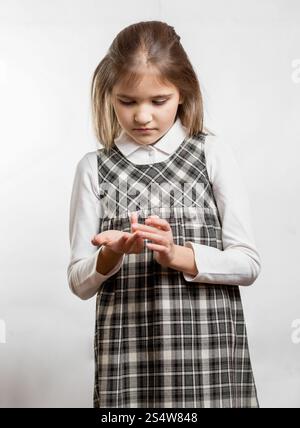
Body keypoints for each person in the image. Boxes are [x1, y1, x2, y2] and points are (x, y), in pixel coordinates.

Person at [67, 20, 261, 408]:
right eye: (127, 101)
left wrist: (178, 255)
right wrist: (112, 255)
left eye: (158, 101)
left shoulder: (211, 155)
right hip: (129, 358)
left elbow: (248, 263)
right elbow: (79, 281)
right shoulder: (94, 168)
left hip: (210, 357)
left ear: (183, 93)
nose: (142, 117)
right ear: (108, 96)